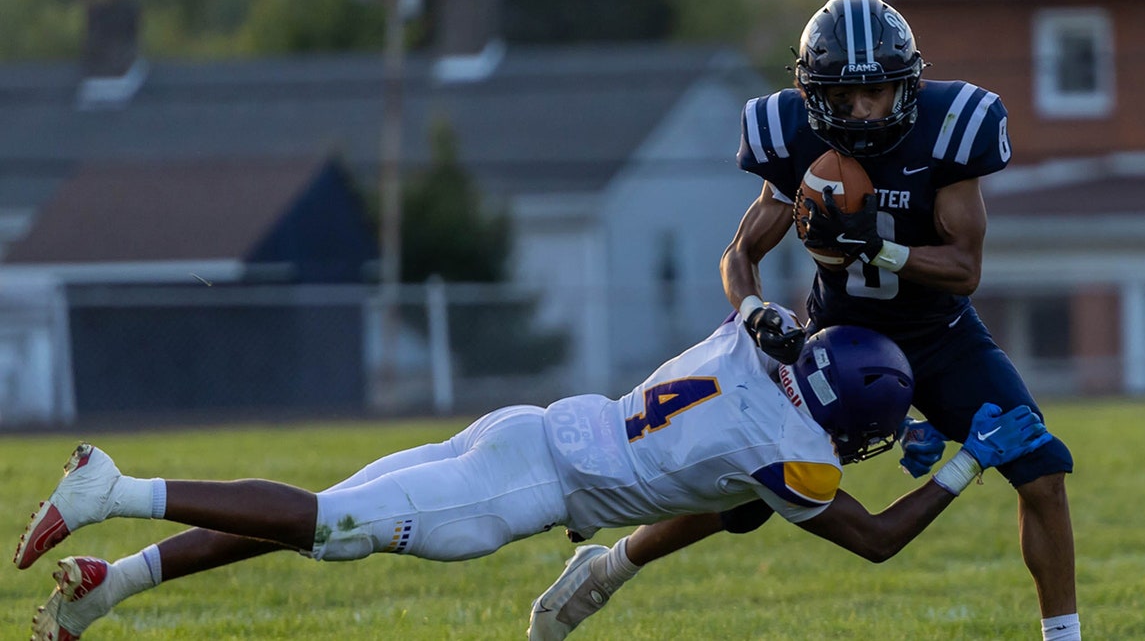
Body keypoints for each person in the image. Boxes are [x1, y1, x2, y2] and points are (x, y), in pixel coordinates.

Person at [529, 0, 1079, 641]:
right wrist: (754, 308)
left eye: (877, 91)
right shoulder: (794, 134)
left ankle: (1063, 637)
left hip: (941, 337)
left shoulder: (954, 125)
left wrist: (878, 245)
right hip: (841, 342)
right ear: (813, 93)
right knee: (746, 488)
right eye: (844, 97)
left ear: (907, 80)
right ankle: (609, 568)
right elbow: (739, 253)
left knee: (1040, 468)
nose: (863, 110)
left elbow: (965, 269)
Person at [14, 310, 1051, 641]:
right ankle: (121, 489)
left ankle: (119, 587)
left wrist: (896, 433)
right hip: (524, 495)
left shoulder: (750, 342)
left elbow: (748, 280)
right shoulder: (796, 461)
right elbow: (872, 537)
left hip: (533, 428)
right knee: (326, 523)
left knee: (312, 520)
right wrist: (960, 461)